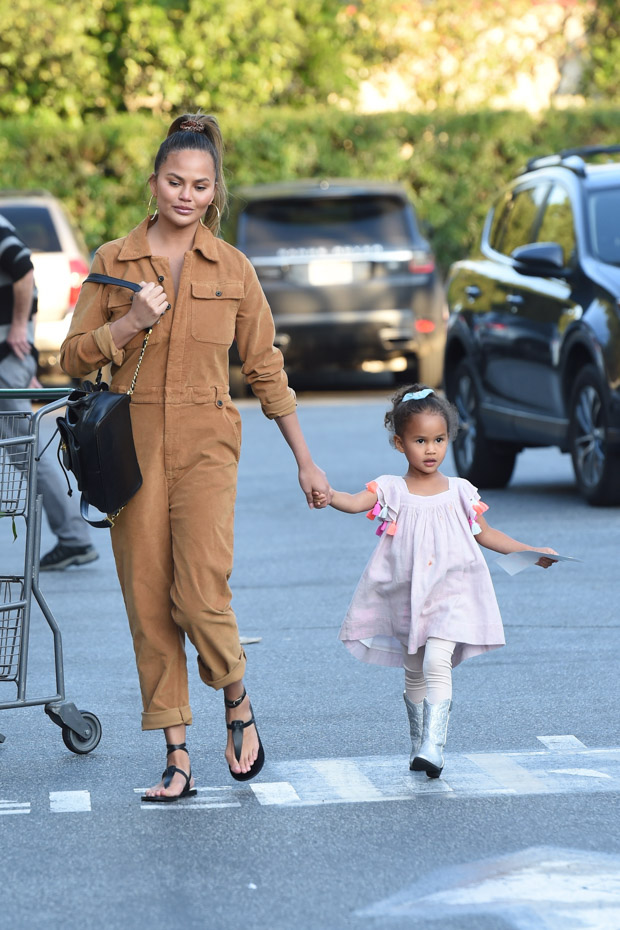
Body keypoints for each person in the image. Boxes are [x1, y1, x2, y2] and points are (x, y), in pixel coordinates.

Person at [60, 112, 331, 801]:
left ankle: (236, 700)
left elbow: (266, 368)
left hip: (209, 440)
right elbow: (70, 356)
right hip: (131, 444)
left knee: (200, 594)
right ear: (154, 184)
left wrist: (306, 459)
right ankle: (177, 755)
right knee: (149, 602)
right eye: (174, 181)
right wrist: (127, 324)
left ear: (214, 192)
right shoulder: (112, 262)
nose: (186, 194)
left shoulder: (232, 268)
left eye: (200, 185)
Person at [314, 385, 556, 779]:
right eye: (420, 440)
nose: (431, 449)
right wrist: (328, 495)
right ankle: (418, 745)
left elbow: (486, 534)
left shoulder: (461, 491)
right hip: (406, 595)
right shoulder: (391, 489)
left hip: (452, 593)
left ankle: (434, 746)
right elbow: (355, 501)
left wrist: (529, 551)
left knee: (435, 660)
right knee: (413, 670)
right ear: (399, 443)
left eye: (439, 439)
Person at [0, 213, 98, 570]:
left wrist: (17, 335)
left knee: (25, 451)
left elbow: (24, 270)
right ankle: (74, 538)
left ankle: (74, 539)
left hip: (5, 361)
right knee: (24, 448)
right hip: (10, 363)